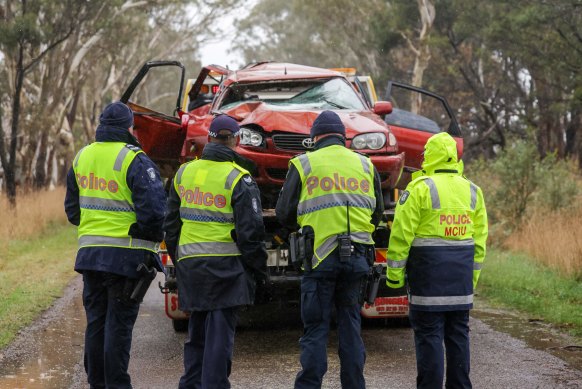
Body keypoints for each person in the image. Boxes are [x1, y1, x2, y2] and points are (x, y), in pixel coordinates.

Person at [276, 110, 384, 389]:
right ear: (343, 137)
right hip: (358, 259)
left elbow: (284, 213)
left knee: (315, 329)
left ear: (315, 138)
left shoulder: (303, 164)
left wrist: (304, 225)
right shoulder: (365, 165)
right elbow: (377, 215)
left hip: (319, 259)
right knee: (351, 327)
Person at [64, 101, 166, 388]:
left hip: (91, 256)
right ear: (129, 127)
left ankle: (97, 383)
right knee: (118, 326)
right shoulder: (135, 159)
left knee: (96, 322)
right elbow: (154, 212)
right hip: (127, 257)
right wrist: (146, 235)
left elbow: (73, 212)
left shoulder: (82, 157)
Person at [163, 114, 268, 389]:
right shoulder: (238, 179)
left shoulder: (184, 173)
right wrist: (258, 271)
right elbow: (251, 234)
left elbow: (170, 225)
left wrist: (180, 260)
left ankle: (191, 384)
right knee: (220, 336)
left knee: (197, 331)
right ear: (237, 141)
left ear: (209, 138)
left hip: (191, 265)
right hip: (226, 269)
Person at [385, 132, 488, 389]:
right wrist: (471, 280)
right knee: (458, 337)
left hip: (428, 282)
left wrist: (394, 276)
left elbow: (400, 236)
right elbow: (479, 242)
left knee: (429, 338)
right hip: (460, 283)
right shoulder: (473, 191)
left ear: (428, 157)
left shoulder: (419, 189)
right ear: (454, 156)